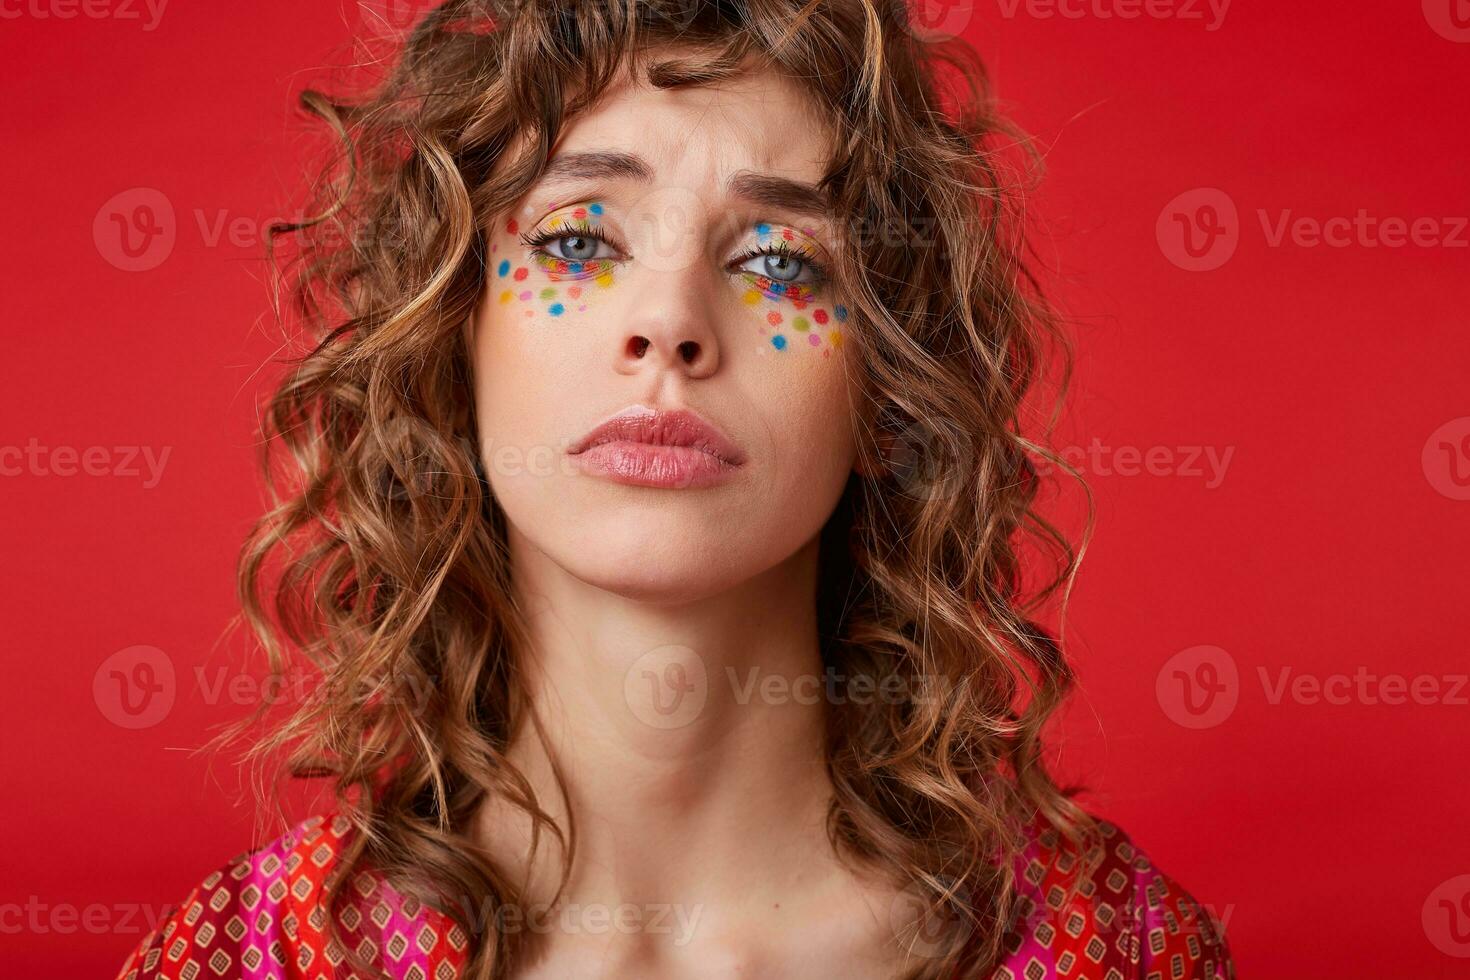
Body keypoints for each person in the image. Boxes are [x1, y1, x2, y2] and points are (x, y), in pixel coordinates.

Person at [117, 1, 1235, 977]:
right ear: (451, 339)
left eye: (779, 261)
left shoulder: (1118, 949)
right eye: (577, 240)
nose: (671, 323)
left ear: (888, 395)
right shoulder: (257, 957)